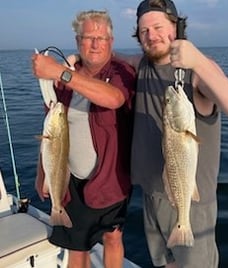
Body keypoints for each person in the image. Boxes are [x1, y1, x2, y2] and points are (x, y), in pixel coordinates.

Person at [127, 1, 228, 268]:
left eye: (158, 27)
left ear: (176, 26)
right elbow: (113, 59)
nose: (152, 35)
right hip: (151, 196)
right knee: (164, 264)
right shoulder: (142, 65)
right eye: (144, 30)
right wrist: (75, 61)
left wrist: (198, 61)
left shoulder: (198, 71)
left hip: (190, 205)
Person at [32, 10, 135, 268]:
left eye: (102, 38)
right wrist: (41, 172)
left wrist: (59, 72)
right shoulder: (62, 78)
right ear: (78, 41)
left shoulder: (122, 72)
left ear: (111, 42)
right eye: (89, 37)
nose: (96, 43)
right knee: (77, 249)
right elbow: (50, 132)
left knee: (113, 238)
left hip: (111, 179)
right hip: (71, 181)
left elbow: (113, 99)